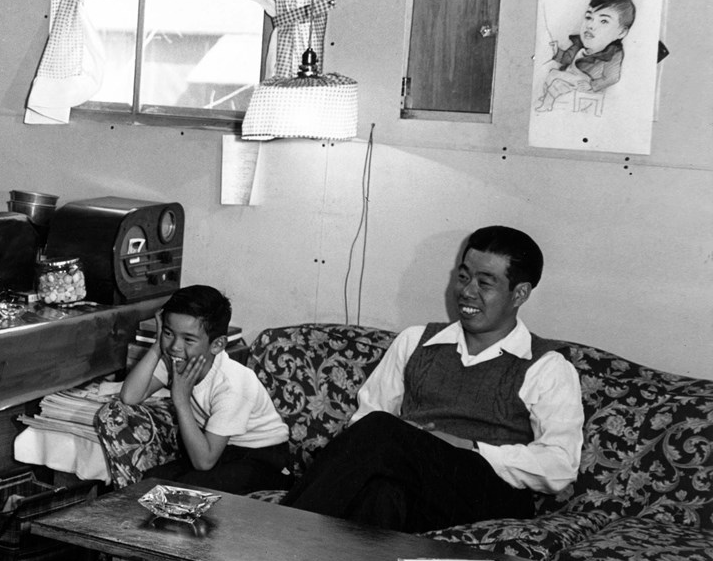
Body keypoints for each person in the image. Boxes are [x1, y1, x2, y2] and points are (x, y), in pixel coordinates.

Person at [282, 225, 584, 533]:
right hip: (416, 485)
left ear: (519, 293)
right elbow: (364, 425)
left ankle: (283, 531)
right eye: (463, 277)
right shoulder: (415, 341)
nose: (467, 291)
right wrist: (412, 445)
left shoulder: (547, 366)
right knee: (382, 493)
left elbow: (560, 465)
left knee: (382, 430)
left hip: (489, 492)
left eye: (485, 283)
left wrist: (470, 447)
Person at [94, 285, 293, 494]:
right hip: (217, 449)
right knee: (151, 482)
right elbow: (130, 396)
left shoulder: (232, 384)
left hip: (262, 458)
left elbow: (204, 462)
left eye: (188, 339)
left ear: (217, 345)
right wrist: (158, 344)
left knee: (187, 491)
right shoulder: (176, 359)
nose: (175, 346)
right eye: (169, 333)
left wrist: (181, 399)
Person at [534, 0, 634, 112]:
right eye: (589, 17)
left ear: (621, 32)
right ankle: (547, 98)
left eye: (603, 21)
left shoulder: (613, 53)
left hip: (585, 82)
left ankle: (547, 104)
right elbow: (567, 58)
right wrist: (557, 52)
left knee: (557, 82)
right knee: (552, 74)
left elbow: (612, 77)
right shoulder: (579, 44)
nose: (590, 25)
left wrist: (592, 85)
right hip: (572, 75)